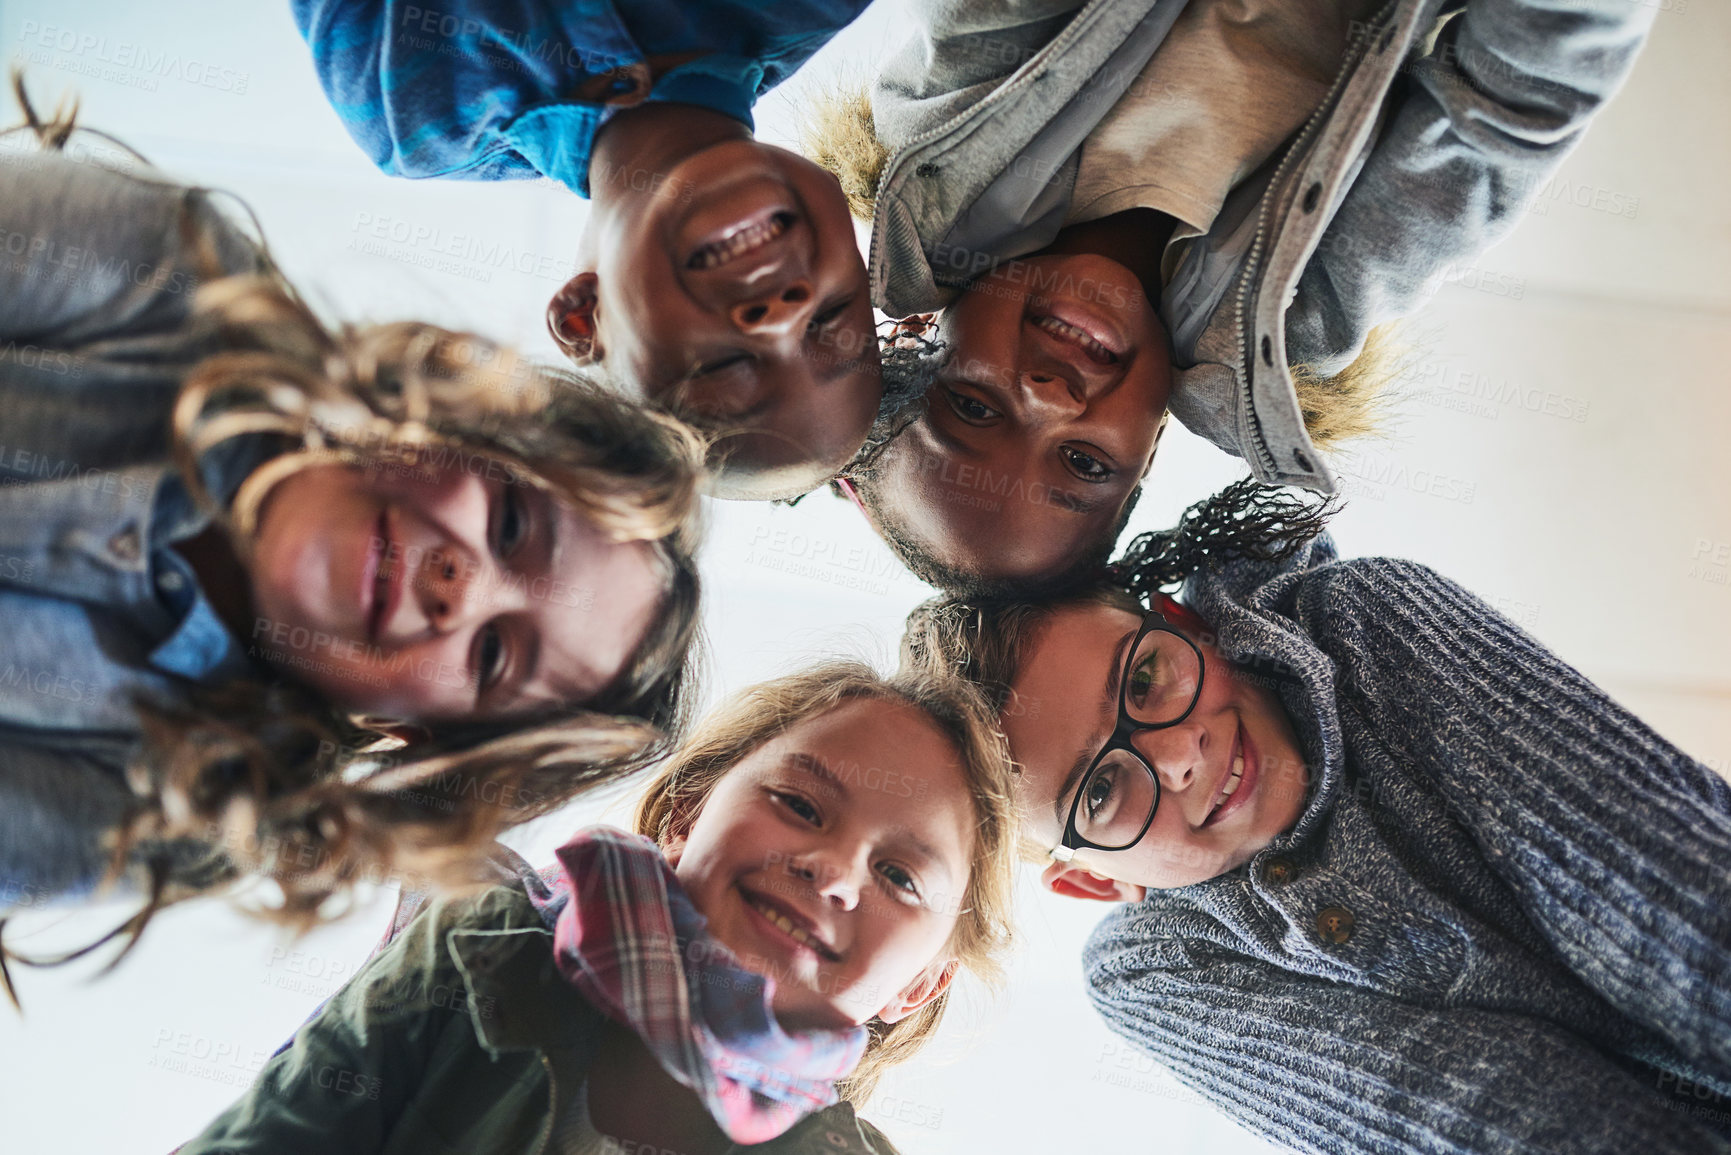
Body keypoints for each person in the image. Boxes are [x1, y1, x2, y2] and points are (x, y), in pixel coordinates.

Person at [0, 109, 703, 945]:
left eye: (492, 654)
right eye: (512, 523)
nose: (462, 586)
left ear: (418, 732)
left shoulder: (189, 813)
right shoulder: (172, 270)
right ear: (465, 428)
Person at [900, 480, 1731, 1153]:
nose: (1175, 757)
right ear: (1091, 879)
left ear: (1186, 624)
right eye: (1101, 791)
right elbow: (1470, 1117)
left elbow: (1664, 893)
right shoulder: (1160, 968)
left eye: (1146, 679)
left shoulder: (1366, 622)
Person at [809, 0, 1654, 594]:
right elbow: (1503, 115)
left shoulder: (945, 161)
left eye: (973, 406)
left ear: (915, 330)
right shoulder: (1295, 318)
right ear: (1146, 455)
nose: (1049, 397)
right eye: (1083, 462)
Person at [176, 661, 1017, 1155]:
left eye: (902, 876)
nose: (832, 869)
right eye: (799, 805)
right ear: (686, 816)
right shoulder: (474, 948)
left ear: (920, 987)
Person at [294, 0, 888, 501]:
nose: (782, 314)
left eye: (724, 367)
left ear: (582, 316)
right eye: (830, 318)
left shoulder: (406, 119)